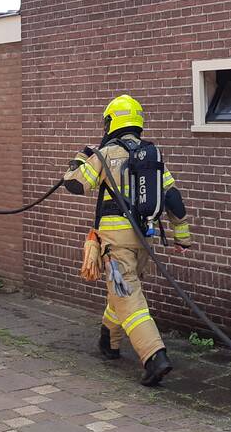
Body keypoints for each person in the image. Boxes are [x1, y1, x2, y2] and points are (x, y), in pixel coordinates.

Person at [63, 94, 193, 386]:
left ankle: (154, 356)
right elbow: (173, 197)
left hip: (115, 241)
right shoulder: (151, 154)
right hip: (143, 238)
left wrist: (81, 158)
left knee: (128, 296)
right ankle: (108, 340)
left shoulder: (106, 154)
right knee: (122, 289)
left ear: (111, 122)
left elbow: (75, 184)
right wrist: (182, 236)